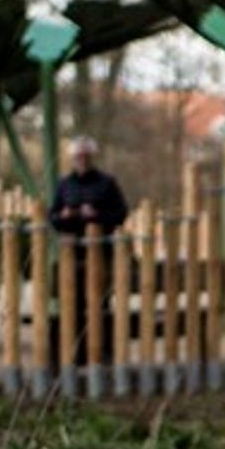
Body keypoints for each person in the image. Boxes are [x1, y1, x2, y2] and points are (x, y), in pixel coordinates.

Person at [48, 136, 130, 364]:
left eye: (85, 156)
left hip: (100, 255)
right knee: (71, 304)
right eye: (78, 156)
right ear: (72, 159)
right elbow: (52, 218)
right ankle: (75, 354)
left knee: (99, 305)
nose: (81, 160)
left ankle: (102, 353)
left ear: (92, 157)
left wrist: (95, 215)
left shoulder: (107, 183)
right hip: (72, 256)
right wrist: (65, 216)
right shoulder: (64, 184)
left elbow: (120, 214)